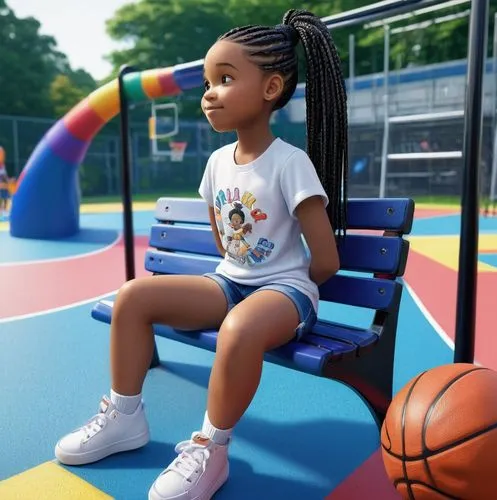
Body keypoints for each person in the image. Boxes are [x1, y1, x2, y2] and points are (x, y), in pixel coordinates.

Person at [55, 9, 348, 500]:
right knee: (132, 298)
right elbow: (222, 240)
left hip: (286, 292)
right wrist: (236, 279)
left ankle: (211, 448)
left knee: (238, 329)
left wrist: (289, 293)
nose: (209, 92)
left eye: (226, 79)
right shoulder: (216, 162)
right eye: (208, 81)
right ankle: (125, 418)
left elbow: (326, 260)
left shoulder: (290, 163)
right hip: (229, 283)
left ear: (271, 89)